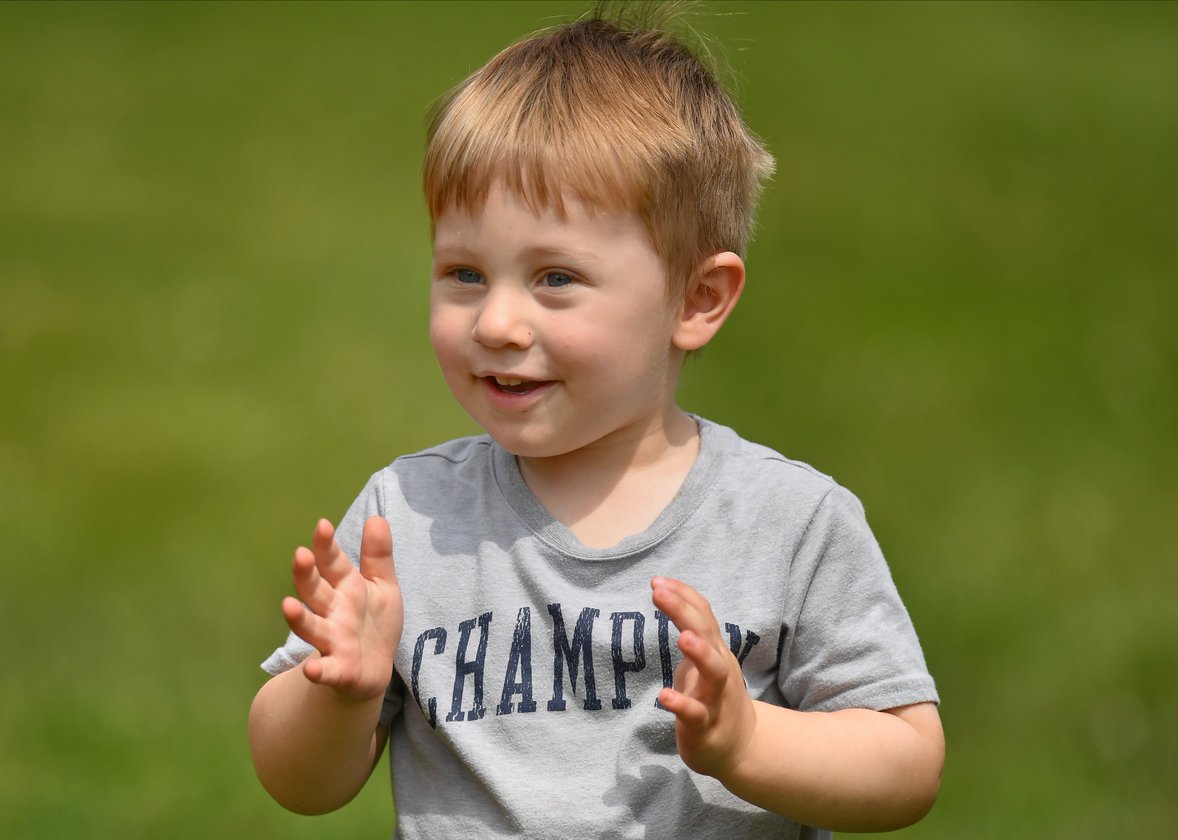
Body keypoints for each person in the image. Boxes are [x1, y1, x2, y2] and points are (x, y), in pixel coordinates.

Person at [248, 7, 943, 839]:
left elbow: (906, 763)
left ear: (697, 299)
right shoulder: (410, 521)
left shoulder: (787, 524)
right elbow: (298, 782)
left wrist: (750, 741)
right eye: (465, 272)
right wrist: (343, 694)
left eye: (555, 279)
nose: (497, 322)